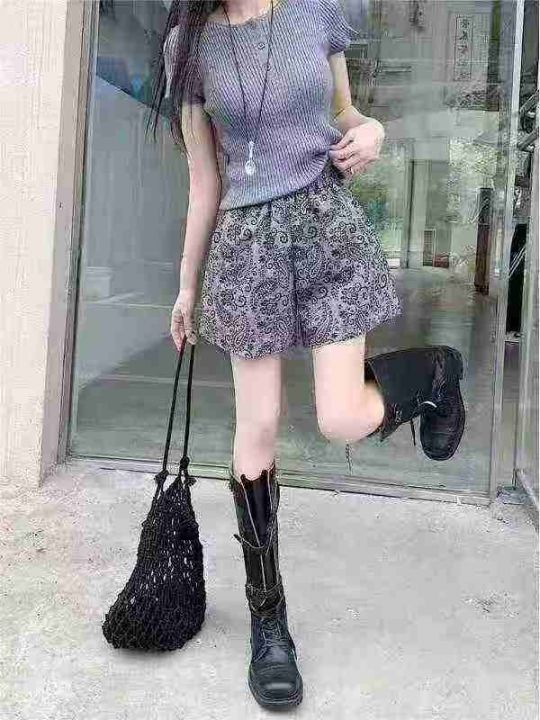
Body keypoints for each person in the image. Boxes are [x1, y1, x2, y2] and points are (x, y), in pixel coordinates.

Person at [151, 0, 466, 710]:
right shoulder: (189, 43)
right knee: (256, 426)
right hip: (247, 248)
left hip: (326, 226)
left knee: (340, 418)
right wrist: (186, 286)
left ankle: (436, 373)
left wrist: (373, 131)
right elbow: (205, 179)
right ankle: (269, 624)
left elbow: (347, 113)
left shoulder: (317, 11)